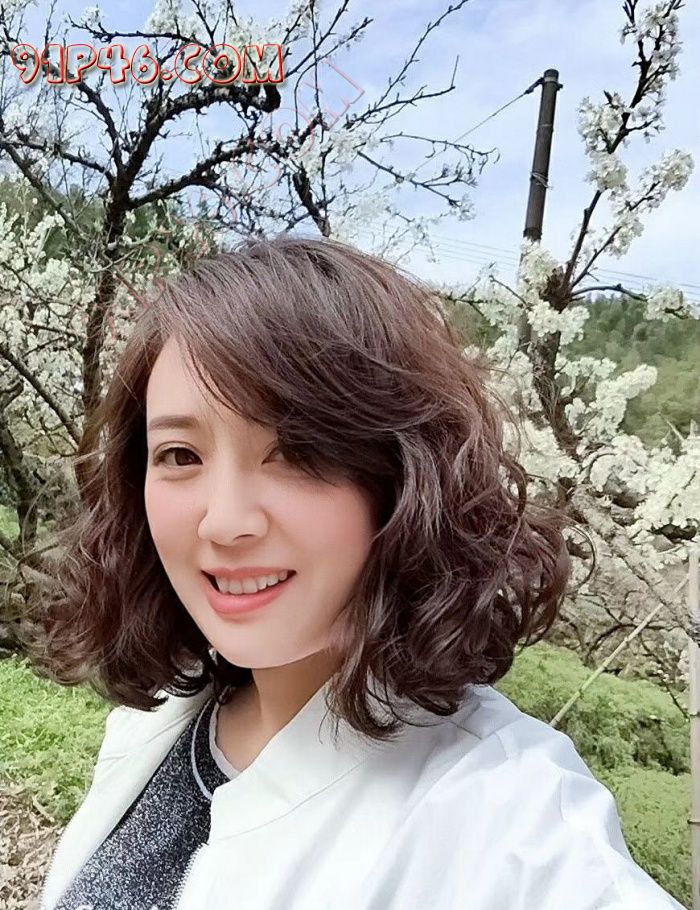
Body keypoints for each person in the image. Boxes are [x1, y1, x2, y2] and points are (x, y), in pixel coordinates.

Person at [23, 234, 684, 909]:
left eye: (297, 451)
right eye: (180, 455)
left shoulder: (504, 817)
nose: (224, 522)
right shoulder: (162, 721)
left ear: (404, 476)